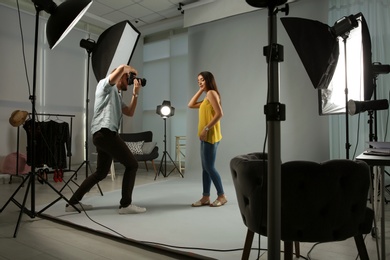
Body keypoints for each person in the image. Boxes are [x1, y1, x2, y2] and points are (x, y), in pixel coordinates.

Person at [66, 64, 146, 214]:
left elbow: (130, 112)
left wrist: (135, 93)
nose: (129, 80)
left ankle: (72, 203)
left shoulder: (116, 95)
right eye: (128, 77)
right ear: (119, 75)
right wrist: (131, 70)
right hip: (105, 132)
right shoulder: (104, 86)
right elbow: (122, 68)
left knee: (101, 173)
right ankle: (125, 205)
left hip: (103, 135)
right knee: (132, 165)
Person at [188, 71, 227, 207]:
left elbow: (219, 113)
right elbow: (190, 104)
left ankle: (221, 196)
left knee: (209, 167)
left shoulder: (211, 93)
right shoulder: (206, 97)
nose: (200, 82)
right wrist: (200, 90)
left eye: (202, 80)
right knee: (205, 168)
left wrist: (206, 129)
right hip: (205, 137)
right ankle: (205, 197)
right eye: (198, 80)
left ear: (209, 80)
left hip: (210, 136)